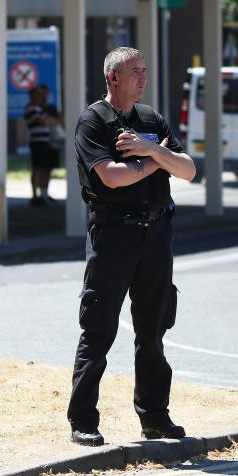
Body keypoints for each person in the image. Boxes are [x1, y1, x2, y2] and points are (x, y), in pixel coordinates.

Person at [68, 47, 196, 447]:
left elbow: (189, 169)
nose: (142, 78)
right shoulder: (94, 121)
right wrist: (156, 162)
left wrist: (152, 150)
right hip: (113, 236)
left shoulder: (150, 119)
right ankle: (83, 420)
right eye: (133, 72)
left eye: (144, 70)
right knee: (98, 329)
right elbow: (111, 177)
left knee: (153, 330)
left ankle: (155, 417)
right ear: (112, 77)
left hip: (156, 234)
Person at [25, 85, 61, 206]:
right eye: (38, 95)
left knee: (45, 168)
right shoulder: (31, 108)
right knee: (37, 168)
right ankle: (35, 195)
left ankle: (44, 194)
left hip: (46, 142)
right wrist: (49, 120)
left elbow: (57, 120)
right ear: (32, 96)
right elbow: (44, 123)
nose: (41, 97)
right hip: (37, 142)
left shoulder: (42, 109)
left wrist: (49, 120)